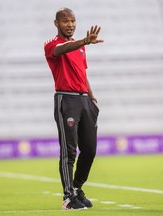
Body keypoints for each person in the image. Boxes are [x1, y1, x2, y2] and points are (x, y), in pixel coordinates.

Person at [44, 7, 103, 210]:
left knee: (90, 150)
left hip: (84, 100)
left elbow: (83, 73)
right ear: (56, 24)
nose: (70, 25)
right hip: (66, 100)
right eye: (65, 21)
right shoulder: (52, 45)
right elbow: (62, 50)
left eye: (73, 21)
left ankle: (77, 188)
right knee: (69, 152)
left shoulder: (81, 47)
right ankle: (68, 197)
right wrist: (84, 41)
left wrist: (92, 99)